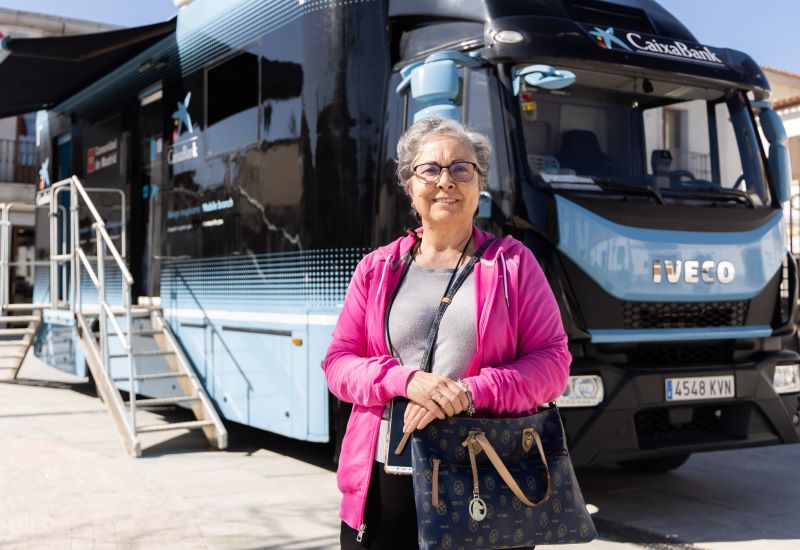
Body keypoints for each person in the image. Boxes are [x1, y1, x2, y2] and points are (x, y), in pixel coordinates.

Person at [323, 116, 571, 549]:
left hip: (484, 480)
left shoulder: (514, 265)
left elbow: (552, 364)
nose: (446, 181)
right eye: (430, 169)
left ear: (479, 185)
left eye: (461, 168)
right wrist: (404, 380)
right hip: (383, 484)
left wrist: (473, 392)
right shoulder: (377, 269)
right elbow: (339, 363)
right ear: (410, 185)